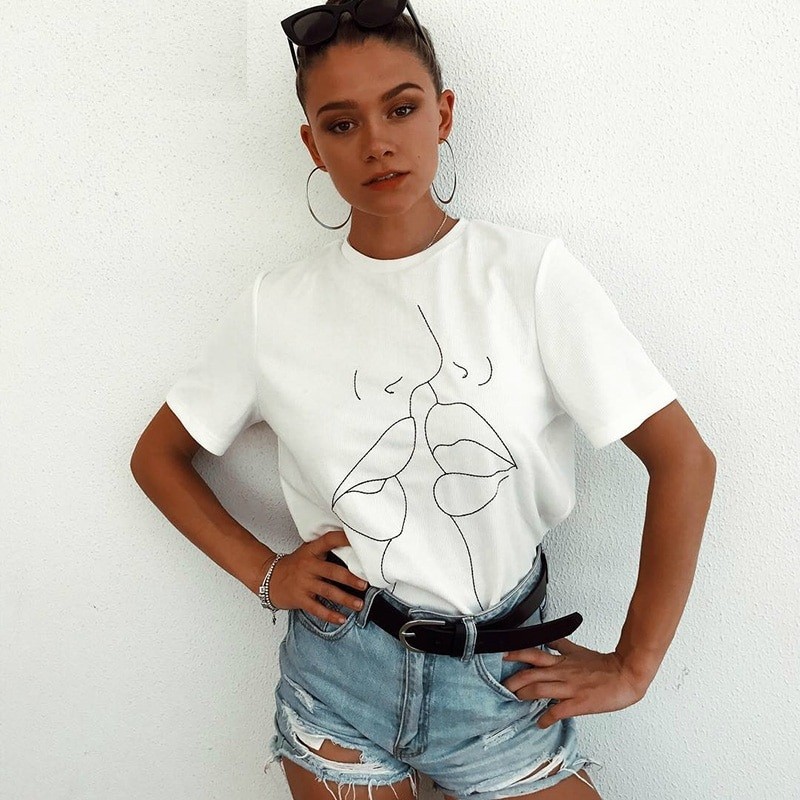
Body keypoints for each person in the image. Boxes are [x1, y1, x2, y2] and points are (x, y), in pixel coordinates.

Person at [130, 2, 716, 799]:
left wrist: (634, 665)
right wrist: (265, 574)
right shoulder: (276, 308)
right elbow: (158, 455)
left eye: (401, 109)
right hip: (338, 678)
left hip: (502, 679)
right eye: (342, 124)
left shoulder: (530, 277)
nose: (376, 142)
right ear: (313, 145)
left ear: (442, 115)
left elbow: (683, 459)